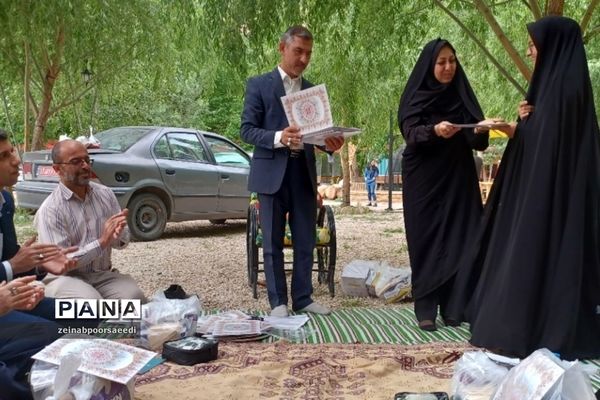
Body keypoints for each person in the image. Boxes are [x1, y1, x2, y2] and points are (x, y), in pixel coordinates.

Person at [457, 16, 600, 360]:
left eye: (535, 46)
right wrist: (525, 123)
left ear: (553, 47)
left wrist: (523, 128)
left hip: (555, 201)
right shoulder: (558, 84)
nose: (530, 52)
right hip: (553, 197)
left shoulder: (565, 90)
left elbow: (550, 147)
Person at [240, 25, 344, 317]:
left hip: (303, 173)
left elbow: (318, 136)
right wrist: (278, 137)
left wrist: (330, 144)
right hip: (271, 174)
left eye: (308, 53)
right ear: (282, 48)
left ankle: (303, 297)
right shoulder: (259, 85)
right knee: (271, 241)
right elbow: (247, 130)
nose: (303, 59)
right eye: (298, 51)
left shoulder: (313, 91)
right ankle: (278, 303)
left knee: (305, 239)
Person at [397, 39, 492, 331]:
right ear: (430, 65)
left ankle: (455, 306)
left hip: (457, 177)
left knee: (460, 237)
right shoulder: (416, 95)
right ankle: (425, 306)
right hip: (423, 179)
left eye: (452, 61)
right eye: (441, 62)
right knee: (425, 238)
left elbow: (479, 141)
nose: (448, 67)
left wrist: (478, 130)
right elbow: (410, 133)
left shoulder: (461, 93)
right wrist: (435, 130)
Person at [0, 129, 69, 400]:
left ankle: (147, 328)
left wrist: (39, 268)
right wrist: (11, 269)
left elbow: (12, 257)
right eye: (4, 156)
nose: (16, 160)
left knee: (82, 312)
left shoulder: (5, 201)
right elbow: (10, 264)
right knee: (51, 333)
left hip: (11, 298)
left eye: (12, 152)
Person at [34, 139, 146, 302]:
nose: (85, 166)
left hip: (102, 275)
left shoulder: (105, 194)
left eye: (87, 160)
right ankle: (88, 326)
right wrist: (102, 242)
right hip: (65, 278)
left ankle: (115, 327)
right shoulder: (51, 209)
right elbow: (62, 262)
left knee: (135, 300)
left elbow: (121, 241)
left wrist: (118, 234)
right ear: (57, 169)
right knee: (91, 305)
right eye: (76, 162)